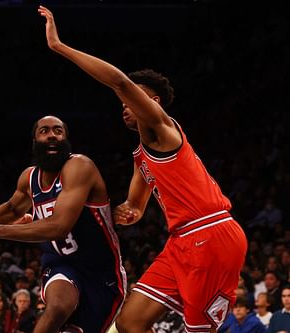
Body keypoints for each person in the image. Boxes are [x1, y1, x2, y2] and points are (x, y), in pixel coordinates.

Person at [36, 6, 247, 333]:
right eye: (123, 104)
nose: (125, 106)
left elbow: (119, 82)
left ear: (155, 103)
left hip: (210, 233)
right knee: (131, 321)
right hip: (179, 242)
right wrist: (129, 212)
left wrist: (59, 46)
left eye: (134, 100)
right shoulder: (142, 154)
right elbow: (135, 205)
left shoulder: (162, 129)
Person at [0, 115, 126, 332]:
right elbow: (12, 209)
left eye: (58, 131)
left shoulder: (79, 166)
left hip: (100, 271)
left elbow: (59, 226)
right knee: (57, 308)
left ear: (66, 139)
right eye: (44, 131)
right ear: (34, 142)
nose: (52, 135)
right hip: (60, 263)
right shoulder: (29, 177)